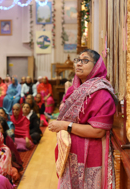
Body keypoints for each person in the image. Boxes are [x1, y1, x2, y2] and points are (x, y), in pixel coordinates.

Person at [48, 49, 117, 188]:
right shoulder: (73, 89)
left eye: (85, 61)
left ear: (96, 65)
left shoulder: (101, 93)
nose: (79, 64)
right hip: (71, 153)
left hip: (92, 153)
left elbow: (98, 131)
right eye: (78, 60)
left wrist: (64, 125)